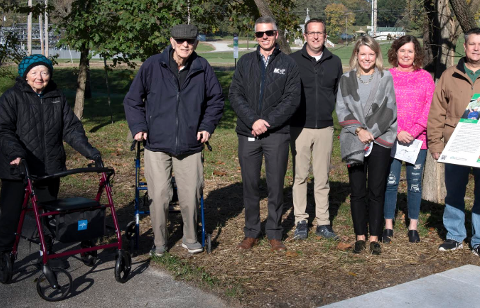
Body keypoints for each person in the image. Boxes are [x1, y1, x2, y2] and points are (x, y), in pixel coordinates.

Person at [0, 54, 102, 281]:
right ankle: (4, 256)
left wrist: (90, 152)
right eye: (34, 72)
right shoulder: (12, 97)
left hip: (49, 168)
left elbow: (71, 129)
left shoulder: (57, 97)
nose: (40, 77)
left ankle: (46, 252)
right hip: (17, 167)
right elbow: (1, 130)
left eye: (44, 72)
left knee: (47, 213)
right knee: (11, 214)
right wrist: (17, 153)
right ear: (25, 74)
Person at [124, 24, 224, 256]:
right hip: (157, 143)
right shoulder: (152, 65)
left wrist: (207, 126)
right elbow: (132, 100)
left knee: (191, 194)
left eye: (190, 41)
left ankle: (190, 238)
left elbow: (216, 100)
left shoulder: (202, 67)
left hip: (190, 145)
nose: (185, 45)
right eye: (180, 41)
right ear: (172, 42)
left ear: (196, 43)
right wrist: (138, 127)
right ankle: (159, 242)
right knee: (159, 195)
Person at [427, 28, 480, 260]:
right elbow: (437, 112)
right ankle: (454, 235)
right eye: (472, 44)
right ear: (464, 47)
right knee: (454, 192)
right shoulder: (449, 75)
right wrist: (435, 144)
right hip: (455, 143)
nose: (476, 48)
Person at [229, 16, 301, 252]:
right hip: (248, 131)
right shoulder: (245, 62)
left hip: (276, 133)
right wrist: (253, 120)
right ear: (255, 37)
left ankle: (274, 232)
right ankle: (251, 232)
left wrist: (267, 122)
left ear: (276, 34)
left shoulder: (289, 64)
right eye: (260, 34)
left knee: (275, 184)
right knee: (250, 184)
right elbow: (235, 95)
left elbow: (292, 100)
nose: (264, 38)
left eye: (268, 33)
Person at [336, 36, 397, 255]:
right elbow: (342, 109)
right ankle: (360, 235)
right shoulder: (346, 79)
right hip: (354, 139)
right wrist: (359, 131)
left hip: (379, 139)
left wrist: (372, 132)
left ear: (376, 55)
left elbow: (390, 108)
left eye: (371, 54)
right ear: (356, 55)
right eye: (363, 53)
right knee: (357, 190)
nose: (367, 58)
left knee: (376, 190)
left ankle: (375, 237)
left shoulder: (385, 78)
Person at [289, 18, 343, 240]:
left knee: (322, 178)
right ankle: (301, 220)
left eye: (319, 33)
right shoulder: (292, 61)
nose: (315, 37)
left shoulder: (334, 61)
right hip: (299, 126)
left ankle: (323, 222)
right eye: (311, 33)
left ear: (325, 35)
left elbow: (340, 94)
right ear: (305, 36)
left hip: (324, 127)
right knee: (300, 176)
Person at [382, 35, 434, 244]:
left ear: (416, 54)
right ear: (395, 52)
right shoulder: (386, 76)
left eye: (410, 51)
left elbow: (429, 108)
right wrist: (397, 131)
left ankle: (413, 225)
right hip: (391, 137)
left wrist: (414, 131)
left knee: (414, 184)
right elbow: (381, 107)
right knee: (391, 182)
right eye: (402, 50)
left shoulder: (425, 77)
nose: (405, 54)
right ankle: (388, 225)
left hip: (417, 140)